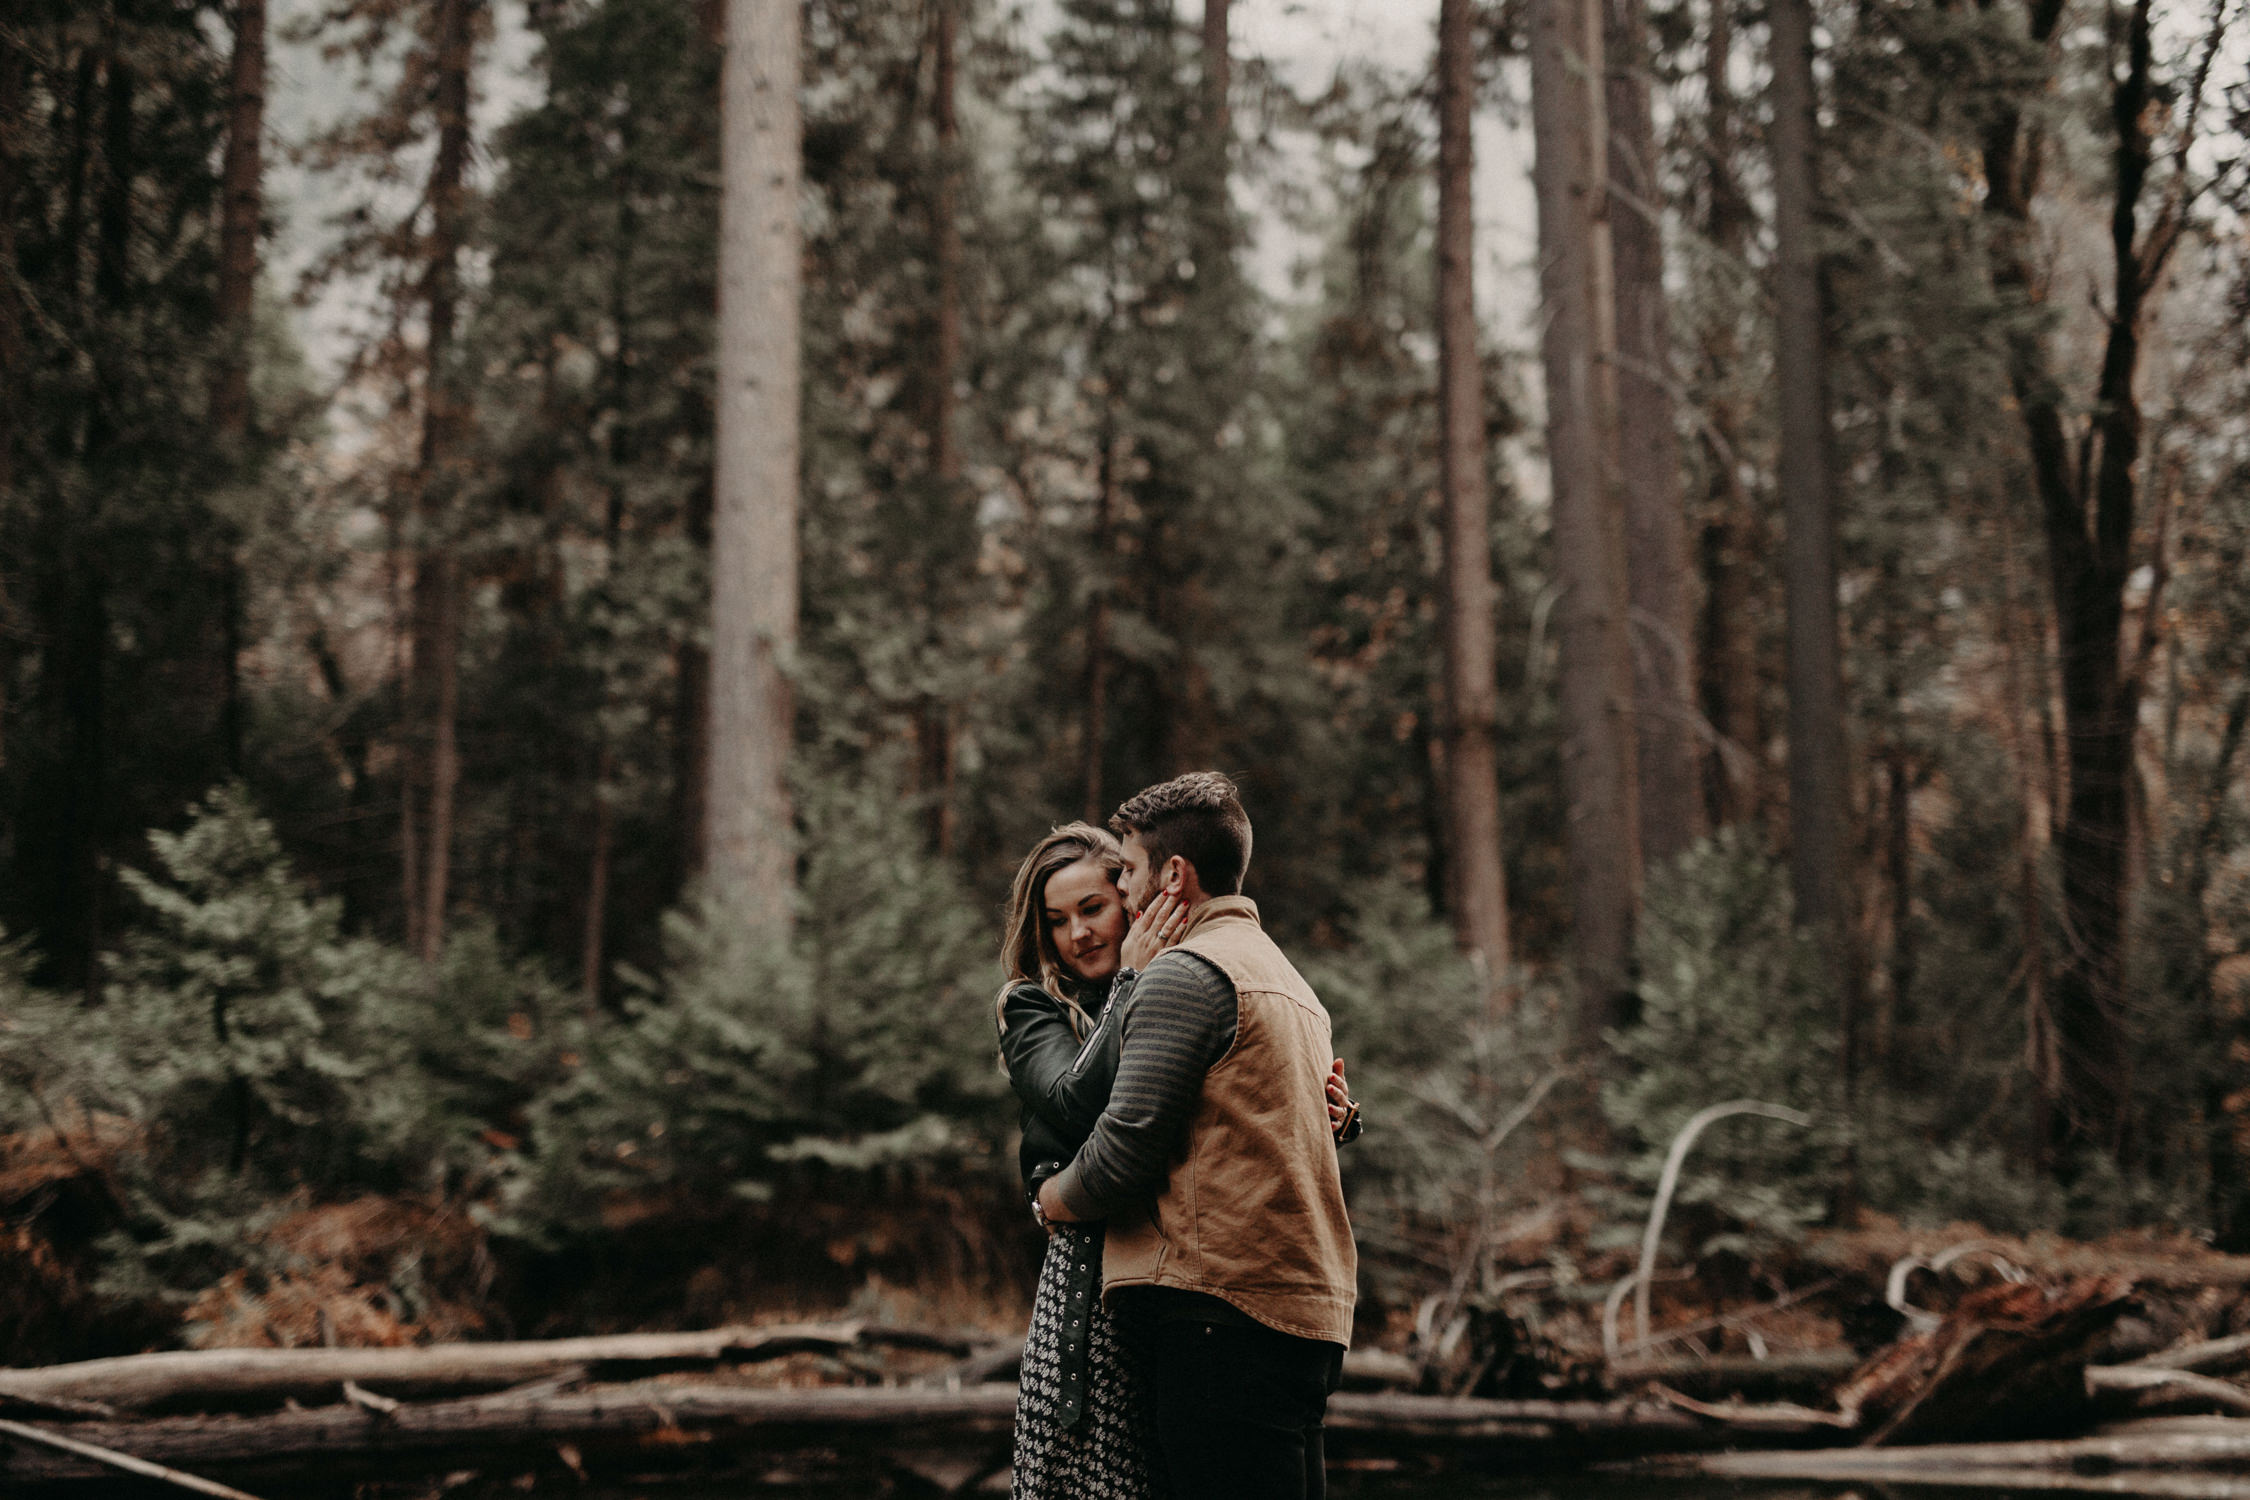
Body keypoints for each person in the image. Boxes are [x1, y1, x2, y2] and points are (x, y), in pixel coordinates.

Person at [996, 820, 1357, 1500]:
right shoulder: (1034, 1009)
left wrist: (1330, 1114)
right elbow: (1077, 1104)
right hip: (1089, 1275)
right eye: (1057, 920)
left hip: (1180, 1270)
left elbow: (1225, 1119)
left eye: (1093, 908)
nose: (1078, 933)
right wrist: (1133, 977)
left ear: (1135, 900)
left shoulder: (1183, 985)